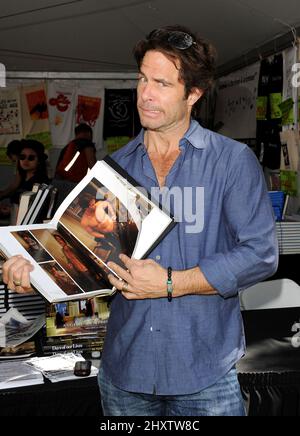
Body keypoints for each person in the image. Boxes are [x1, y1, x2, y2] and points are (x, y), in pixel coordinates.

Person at [2, 25, 278, 417]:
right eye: (143, 79)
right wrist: (34, 266)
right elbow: (84, 257)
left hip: (204, 374)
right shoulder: (112, 169)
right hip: (126, 373)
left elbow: (261, 254)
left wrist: (170, 283)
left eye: (162, 83)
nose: (146, 94)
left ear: (193, 94)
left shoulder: (231, 162)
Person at [0, 139, 49, 206]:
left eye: (31, 158)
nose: (25, 161)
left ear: (39, 160)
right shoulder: (23, 177)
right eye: (22, 157)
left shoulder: (40, 182)